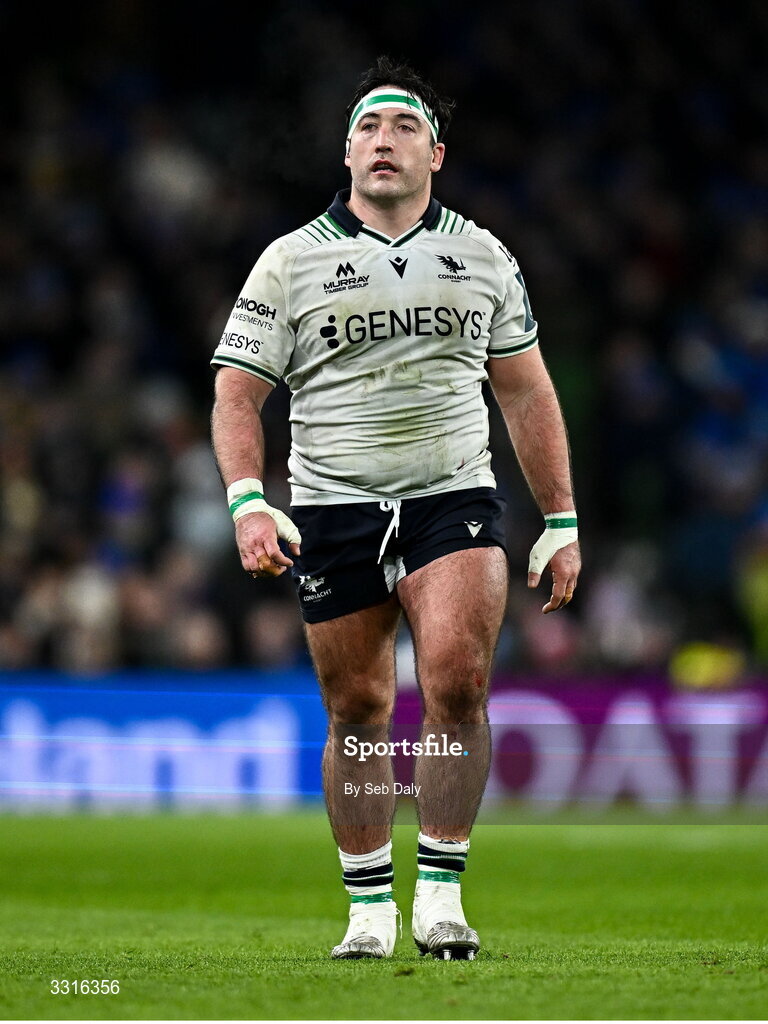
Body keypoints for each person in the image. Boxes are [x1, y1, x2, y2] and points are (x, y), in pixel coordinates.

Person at [210, 56, 581, 961]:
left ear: (437, 154)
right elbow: (234, 392)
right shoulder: (291, 260)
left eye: (404, 127)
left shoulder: (483, 256)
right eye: (368, 130)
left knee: (456, 679)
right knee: (359, 706)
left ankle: (442, 895)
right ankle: (369, 909)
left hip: (450, 493)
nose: (385, 141)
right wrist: (250, 502)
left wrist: (561, 520)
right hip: (331, 503)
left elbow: (527, 395)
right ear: (346, 155)